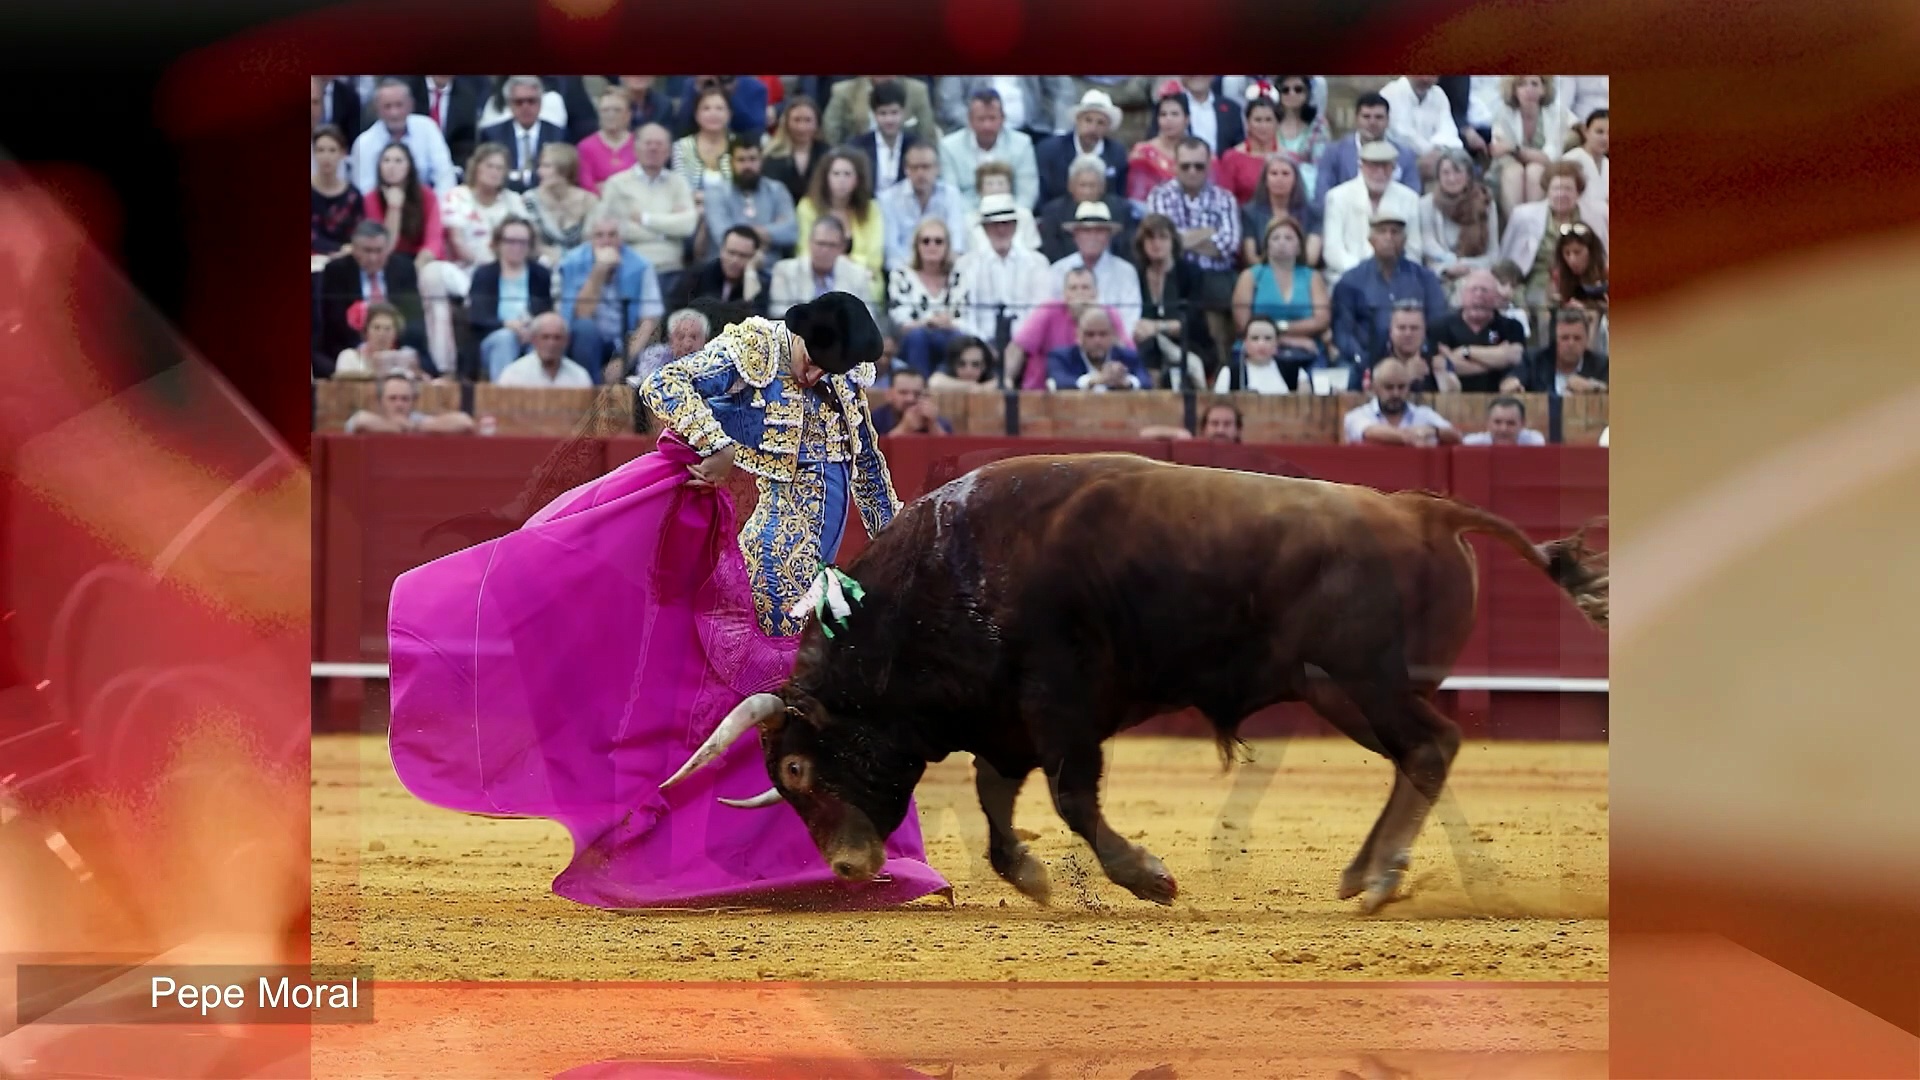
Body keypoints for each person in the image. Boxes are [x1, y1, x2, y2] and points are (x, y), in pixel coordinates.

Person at [386, 293, 953, 911]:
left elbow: (869, 476)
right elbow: (664, 383)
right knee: (786, 702)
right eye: (812, 362)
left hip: (819, 573)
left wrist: (901, 551)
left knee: (833, 695)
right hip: (775, 567)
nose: (817, 376)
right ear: (798, 337)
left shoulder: (840, 385)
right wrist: (717, 444)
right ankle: (735, 858)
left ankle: (819, 851)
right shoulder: (757, 350)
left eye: (829, 369)